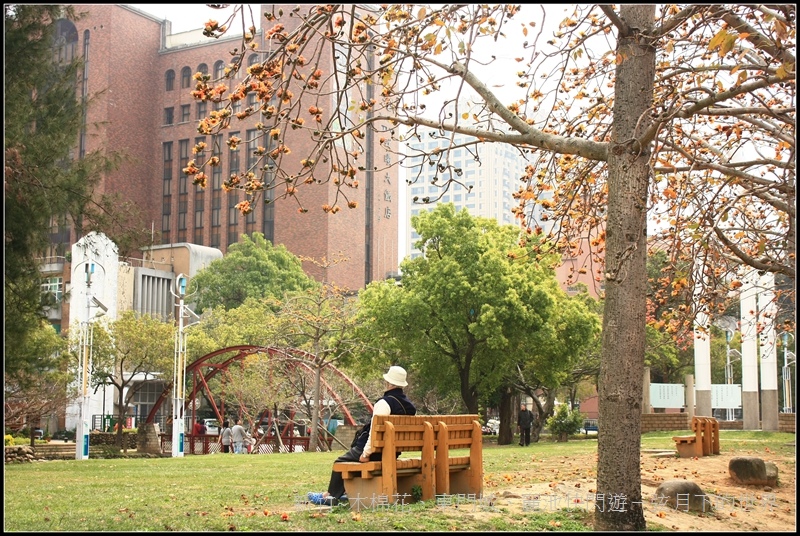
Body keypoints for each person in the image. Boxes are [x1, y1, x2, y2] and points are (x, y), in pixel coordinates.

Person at [308, 365, 416, 507]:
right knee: (351, 462)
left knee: (340, 463)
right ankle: (346, 492)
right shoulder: (410, 407)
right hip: (392, 452)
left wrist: (366, 453)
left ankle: (330, 496)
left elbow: (374, 432)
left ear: (388, 383)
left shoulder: (384, 403)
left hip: (376, 451)